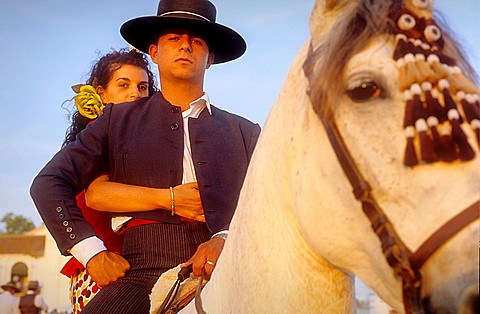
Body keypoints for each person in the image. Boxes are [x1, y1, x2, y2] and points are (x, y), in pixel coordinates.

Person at [30, 0, 261, 313]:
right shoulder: (115, 120)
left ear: (210, 58)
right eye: (174, 39)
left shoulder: (245, 131)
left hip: (232, 266)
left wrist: (224, 238)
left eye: (196, 41)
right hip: (143, 271)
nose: (185, 47)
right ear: (154, 52)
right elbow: (48, 183)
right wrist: (91, 252)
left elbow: (268, 202)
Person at [58, 48, 159, 313]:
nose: (135, 93)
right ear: (100, 94)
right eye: (123, 85)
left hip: (134, 267)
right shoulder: (99, 137)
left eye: (143, 86)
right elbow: (97, 195)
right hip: (103, 271)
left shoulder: (136, 141)